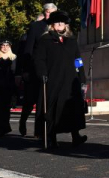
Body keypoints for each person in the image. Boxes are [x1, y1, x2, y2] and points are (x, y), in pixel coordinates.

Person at [33, 10, 87, 149]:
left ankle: (76, 136)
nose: (60, 25)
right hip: (53, 79)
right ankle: (51, 136)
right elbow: (39, 60)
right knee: (52, 109)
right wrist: (42, 73)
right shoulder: (45, 40)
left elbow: (77, 60)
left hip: (70, 80)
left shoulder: (71, 40)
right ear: (52, 25)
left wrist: (81, 76)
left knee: (72, 108)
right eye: (57, 23)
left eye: (62, 23)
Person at [19, 3, 57, 137]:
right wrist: (26, 71)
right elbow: (28, 50)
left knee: (45, 101)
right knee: (30, 100)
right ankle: (23, 121)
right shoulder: (36, 27)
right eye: (46, 12)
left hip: (52, 69)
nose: (48, 14)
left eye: (51, 12)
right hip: (35, 69)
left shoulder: (59, 27)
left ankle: (42, 131)